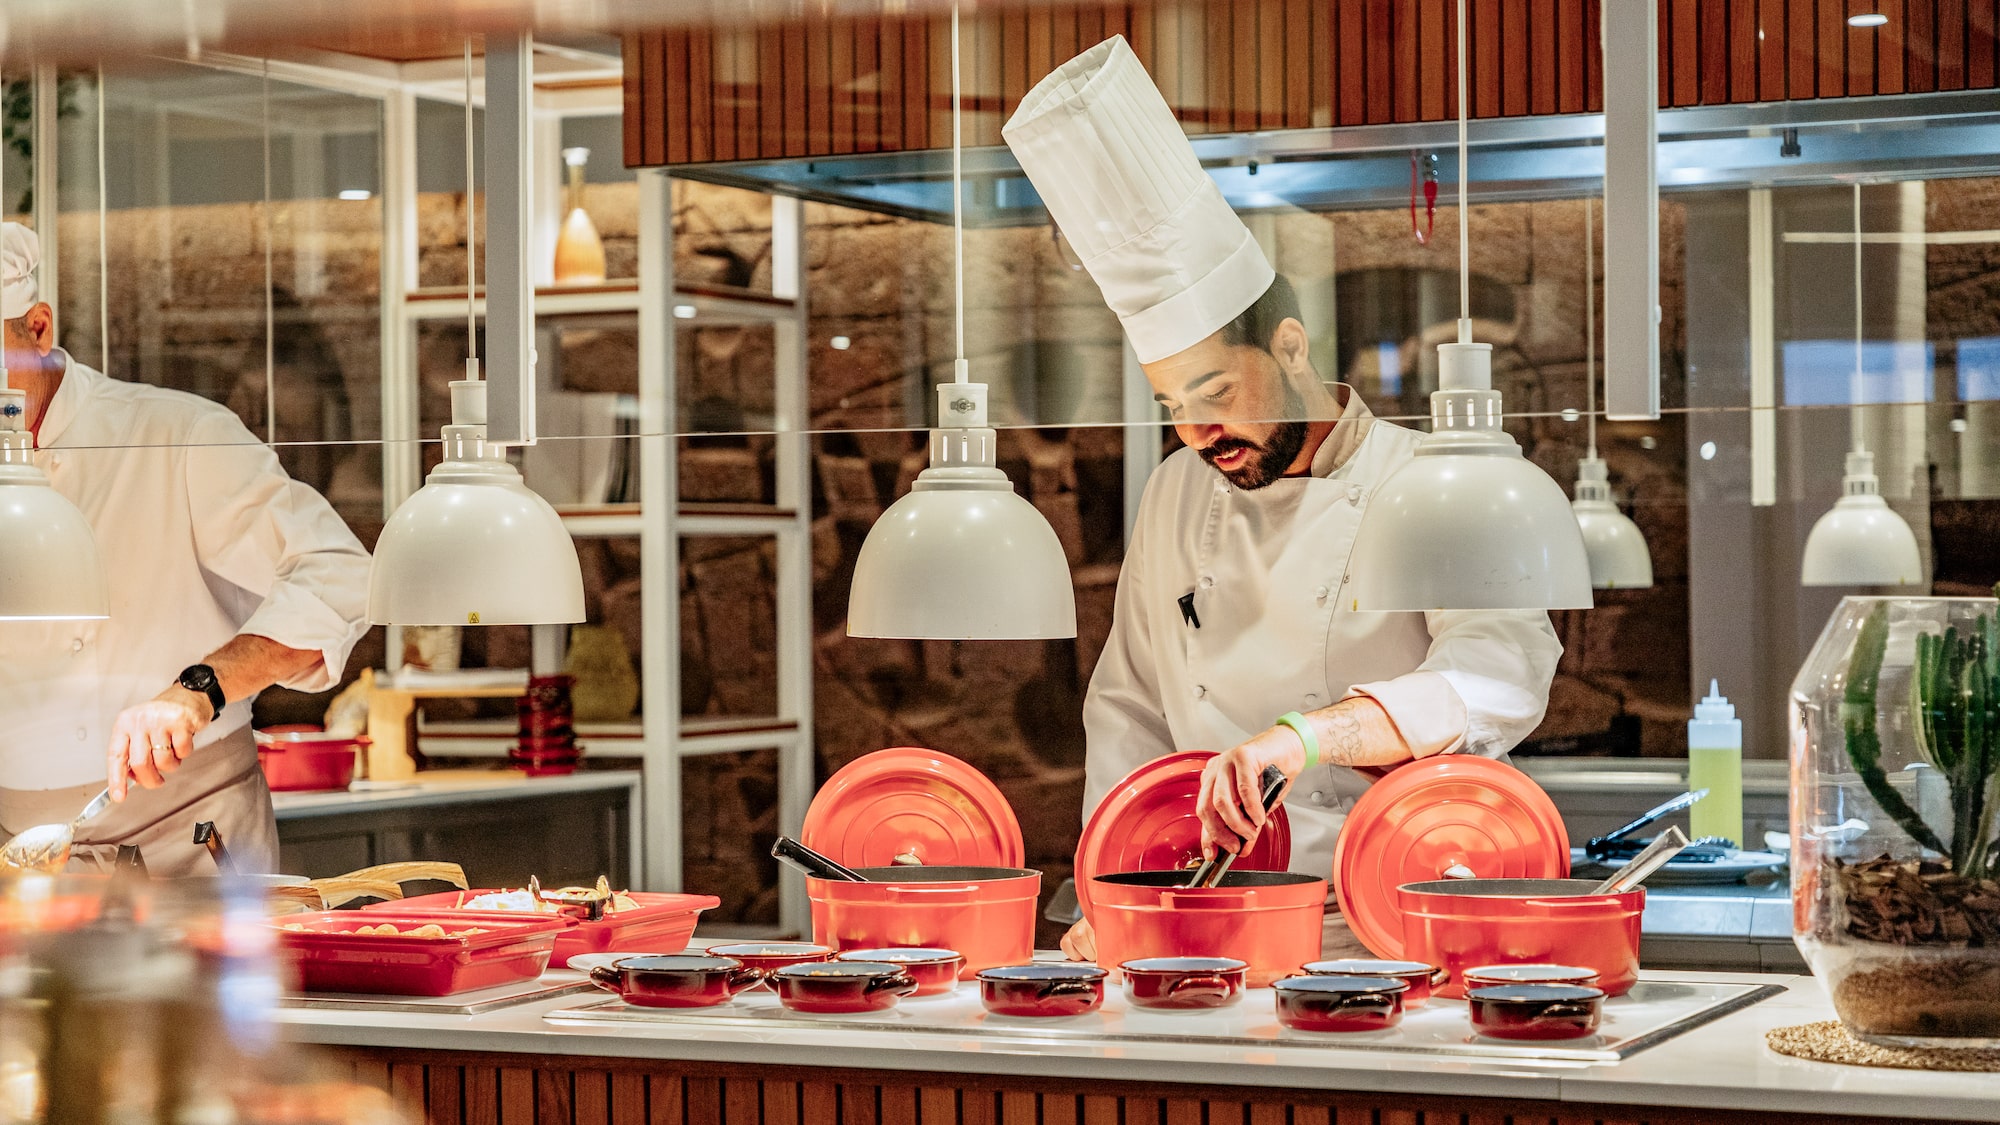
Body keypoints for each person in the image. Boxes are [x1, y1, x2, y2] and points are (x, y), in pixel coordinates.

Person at [1002, 38, 1562, 960]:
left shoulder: (1436, 482)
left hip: (1394, 922)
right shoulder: (1177, 489)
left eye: (1217, 394)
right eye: (1172, 407)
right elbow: (1131, 708)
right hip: (1212, 917)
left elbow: (1501, 675)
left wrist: (1310, 735)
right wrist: (1110, 893)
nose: (1196, 434)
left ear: (1293, 348)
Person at [0, 223, 371, 875]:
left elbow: (339, 576)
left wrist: (199, 688)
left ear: (39, 329)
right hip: (25, 865)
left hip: (191, 848)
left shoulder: (176, 437)